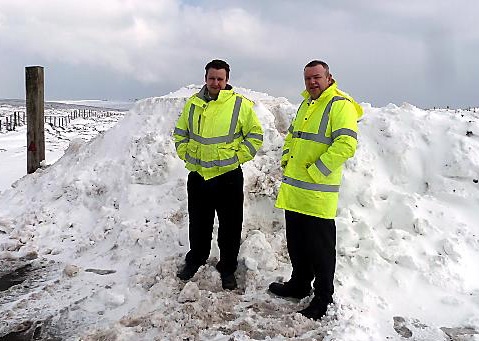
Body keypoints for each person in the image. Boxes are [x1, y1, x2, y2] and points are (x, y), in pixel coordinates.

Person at [270, 60, 363, 319]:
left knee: (321, 251)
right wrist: (286, 158)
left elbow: (346, 144)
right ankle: (299, 284)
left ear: (329, 77)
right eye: (308, 78)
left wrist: (316, 169)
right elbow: (293, 136)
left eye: (317, 77)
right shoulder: (307, 104)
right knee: (297, 245)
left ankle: (323, 297)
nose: (312, 82)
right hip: (295, 191)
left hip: (318, 194)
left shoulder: (339, 105)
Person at [173, 59, 263, 290]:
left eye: (220, 79)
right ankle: (196, 259)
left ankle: (228, 268)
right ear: (205, 79)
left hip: (228, 177)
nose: (215, 82)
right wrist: (186, 154)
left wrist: (236, 158)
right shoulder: (193, 104)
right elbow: (180, 132)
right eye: (212, 78)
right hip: (199, 176)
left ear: (227, 80)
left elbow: (254, 136)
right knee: (199, 224)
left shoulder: (239, 105)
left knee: (230, 227)